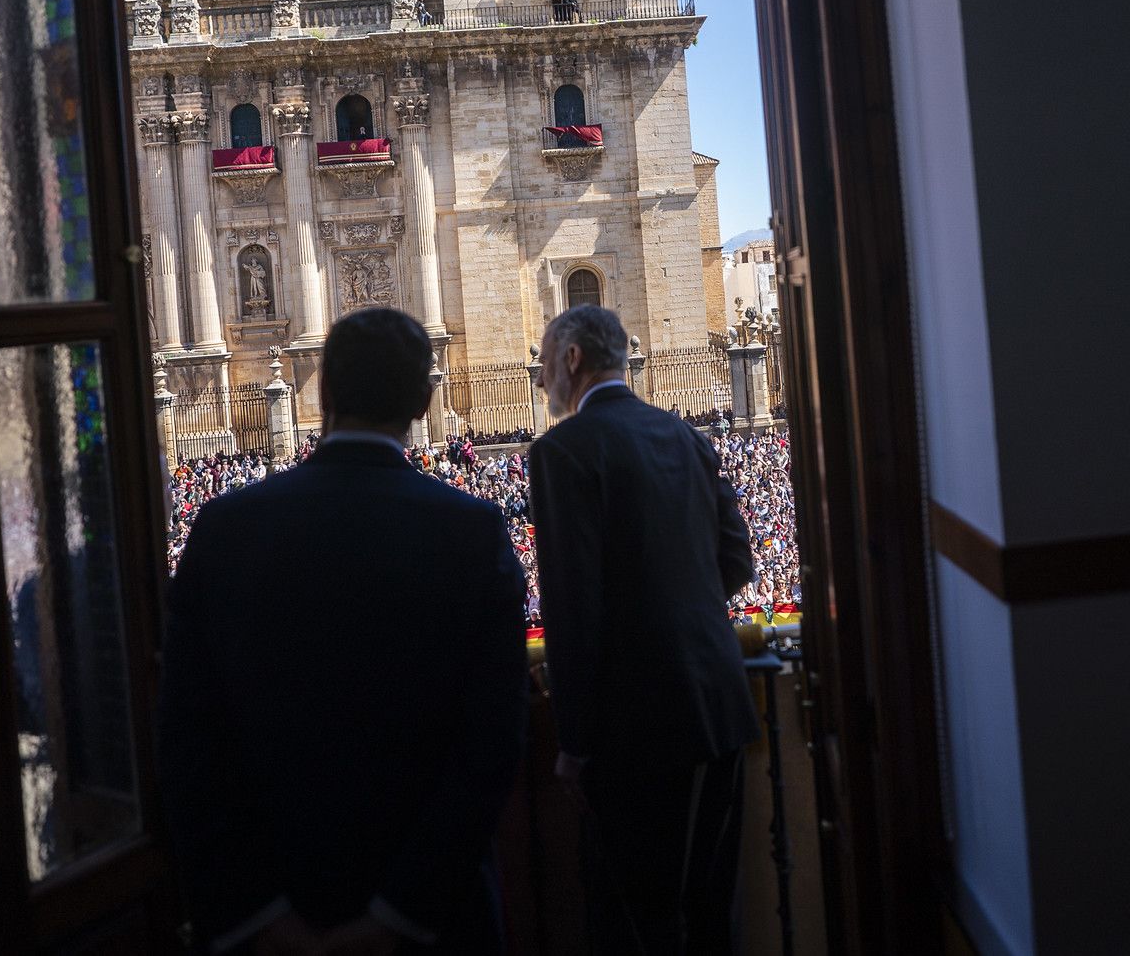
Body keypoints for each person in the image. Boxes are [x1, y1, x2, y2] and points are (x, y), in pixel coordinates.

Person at [158, 308, 529, 955]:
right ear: (424, 398)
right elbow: (493, 746)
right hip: (434, 923)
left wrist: (260, 916)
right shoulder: (471, 533)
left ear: (322, 391)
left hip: (270, 916)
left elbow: (187, 741)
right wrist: (398, 916)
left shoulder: (222, 529)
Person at [528, 305, 758, 955]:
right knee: (713, 912)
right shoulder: (685, 433)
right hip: (720, 704)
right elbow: (736, 560)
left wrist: (573, 741)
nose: (542, 378)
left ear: (572, 360)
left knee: (637, 917)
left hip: (635, 729)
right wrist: (675, 611)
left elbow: (573, 605)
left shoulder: (561, 451)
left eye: (545, 363)